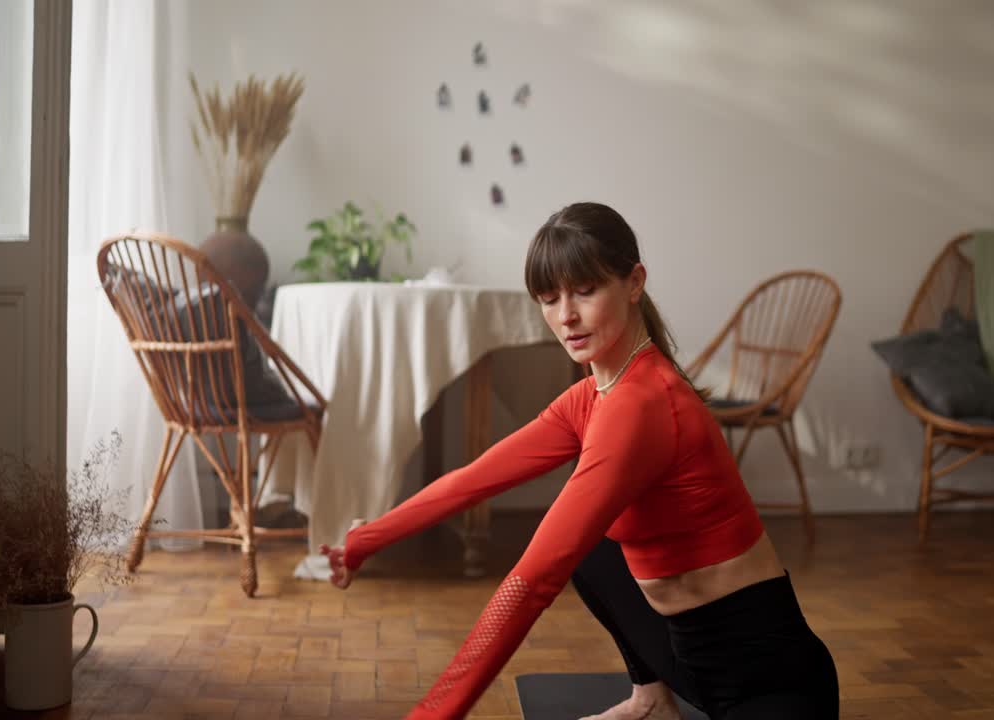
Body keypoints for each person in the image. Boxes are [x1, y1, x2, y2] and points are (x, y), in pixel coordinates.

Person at [320, 202, 839, 719]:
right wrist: (365, 541)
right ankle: (651, 699)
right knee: (598, 552)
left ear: (634, 282)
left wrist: (432, 714)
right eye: (548, 299)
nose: (565, 316)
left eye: (585, 292)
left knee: (572, 546)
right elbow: (471, 481)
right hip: (685, 658)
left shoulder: (644, 403)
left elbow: (532, 582)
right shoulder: (595, 395)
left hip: (765, 676)